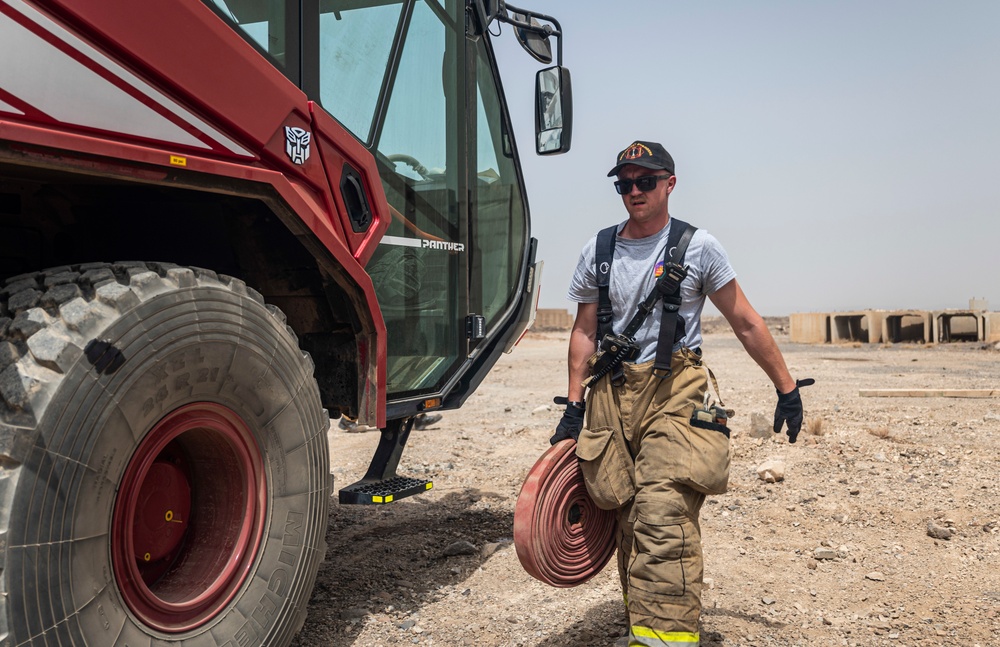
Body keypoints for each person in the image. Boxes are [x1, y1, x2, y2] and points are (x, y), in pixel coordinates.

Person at [552, 140, 811, 647]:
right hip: (611, 394)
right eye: (624, 184)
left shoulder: (699, 247)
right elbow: (584, 332)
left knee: (663, 513)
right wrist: (573, 404)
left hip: (677, 392)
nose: (634, 191)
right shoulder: (597, 251)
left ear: (670, 184)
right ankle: (645, 624)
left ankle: (665, 639)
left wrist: (786, 387)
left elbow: (745, 320)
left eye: (645, 181)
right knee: (624, 513)